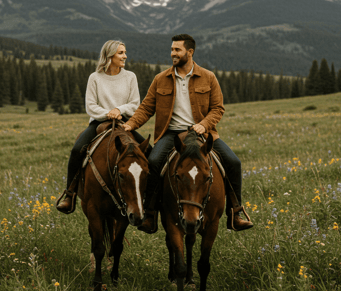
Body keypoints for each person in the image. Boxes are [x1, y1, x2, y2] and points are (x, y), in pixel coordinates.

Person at [123, 34, 253, 233]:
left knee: (233, 162)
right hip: (171, 135)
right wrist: (130, 125)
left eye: (177, 50)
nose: (172, 53)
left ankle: (235, 213)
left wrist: (204, 125)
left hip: (201, 134)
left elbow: (218, 108)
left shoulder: (208, 77)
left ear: (190, 52)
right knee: (154, 162)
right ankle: (150, 215)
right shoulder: (161, 79)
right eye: (172, 49)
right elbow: (146, 108)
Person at [57, 40, 147, 213]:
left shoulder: (130, 77)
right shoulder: (95, 78)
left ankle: (148, 202)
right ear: (109, 55)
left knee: (147, 152)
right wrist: (107, 114)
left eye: (125, 52)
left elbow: (135, 104)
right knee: (77, 150)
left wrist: (118, 110)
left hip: (124, 124)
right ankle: (69, 194)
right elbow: (90, 106)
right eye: (121, 53)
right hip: (99, 122)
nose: (125, 56)